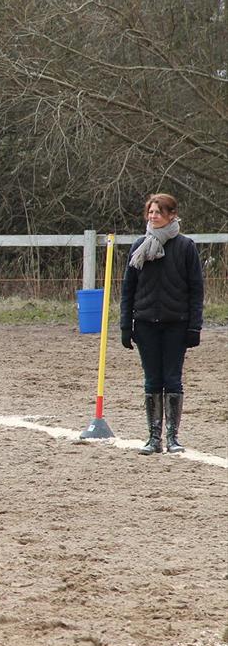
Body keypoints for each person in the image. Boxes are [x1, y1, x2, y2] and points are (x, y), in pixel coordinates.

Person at [120, 193, 204, 455]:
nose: (153, 216)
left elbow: (196, 290)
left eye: (158, 212)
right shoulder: (139, 246)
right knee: (152, 380)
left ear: (171, 215)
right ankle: (153, 437)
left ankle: (172, 437)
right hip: (145, 323)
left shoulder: (185, 247)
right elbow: (127, 289)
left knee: (173, 379)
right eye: (151, 212)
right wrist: (126, 324)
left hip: (175, 324)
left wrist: (194, 326)